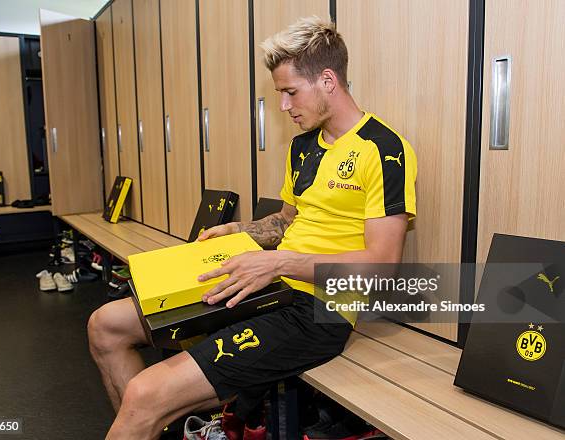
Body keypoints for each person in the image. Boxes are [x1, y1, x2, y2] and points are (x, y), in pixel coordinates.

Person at [87, 16, 417, 439]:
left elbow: (382, 266)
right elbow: (286, 221)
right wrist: (239, 230)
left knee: (144, 394)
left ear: (328, 81)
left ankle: (147, 419)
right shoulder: (304, 146)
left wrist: (280, 263)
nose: (283, 107)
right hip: (272, 283)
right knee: (105, 326)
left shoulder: (385, 150)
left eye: (290, 93)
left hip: (320, 311)